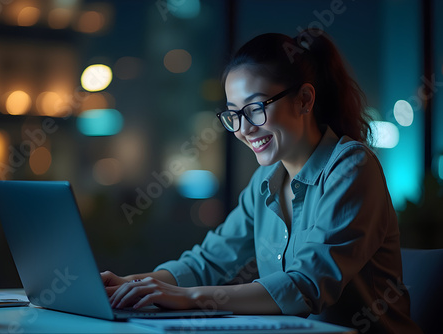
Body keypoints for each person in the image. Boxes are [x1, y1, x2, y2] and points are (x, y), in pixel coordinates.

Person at [101, 29, 421, 333]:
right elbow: (209, 261)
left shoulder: (351, 168)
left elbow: (306, 285)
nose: (243, 129)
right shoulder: (265, 180)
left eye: (255, 108)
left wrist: (189, 298)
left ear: (304, 99)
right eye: (233, 115)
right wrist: (128, 284)